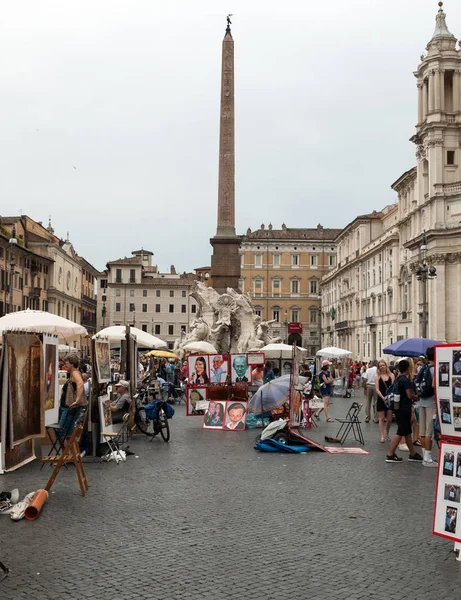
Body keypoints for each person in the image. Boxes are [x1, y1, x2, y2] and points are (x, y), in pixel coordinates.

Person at [385, 359, 423, 463]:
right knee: (401, 431)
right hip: (404, 408)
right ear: (408, 368)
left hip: (398, 407)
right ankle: (390, 454)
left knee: (407, 432)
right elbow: (409, 395)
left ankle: (413, 453)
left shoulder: (398, 378)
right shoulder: (405, 381)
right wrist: (417, 397)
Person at [417, 347, 438, 467]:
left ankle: (425, 456)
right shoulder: (435, 370)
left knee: (422, 431)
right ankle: (428, 459)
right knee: (429, 431)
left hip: (422, 402)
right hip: (431, 403)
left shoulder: (423, 368)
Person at [375, 360, 394, 443]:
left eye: (383, 365)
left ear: (386, 366)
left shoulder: (391, 375)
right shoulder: (377, 377)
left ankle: (387, 433)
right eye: (380, 366)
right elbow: (377, 389)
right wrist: (383, 397)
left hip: (390, 399)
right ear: (378, 367)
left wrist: (390, 396)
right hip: (381, 398)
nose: (382, 367)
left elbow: (393, 387)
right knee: (381, 418)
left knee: (389, 419)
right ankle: (382, 436)